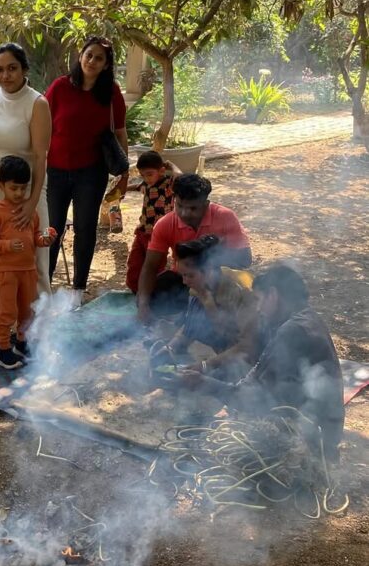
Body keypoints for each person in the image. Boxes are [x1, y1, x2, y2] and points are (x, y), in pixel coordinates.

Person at [176, 263, 344, 463]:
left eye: (258, 300)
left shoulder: (292, 332)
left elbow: (256, 401)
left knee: (213, 450)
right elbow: (260, 372)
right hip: (324, 433)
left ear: (273, 295)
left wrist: (205, 383)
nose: (257, 308)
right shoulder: (308, 318)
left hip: (308, 444)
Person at [0, 43, 51, 330]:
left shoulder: (37, 103)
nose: (5, 75)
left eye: (12, 68)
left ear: (24, 69)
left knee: (33, 258)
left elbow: (40, 157)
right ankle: (0, 324)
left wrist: (31, 202)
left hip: (24, 191)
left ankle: (38, 328)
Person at [45, 35, 128, 304]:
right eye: (88, 55)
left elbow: (120, 132)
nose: (92, 61)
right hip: (56, 171)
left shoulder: (111, 92)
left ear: (106, 65)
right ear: (80, 56)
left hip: (91, 173)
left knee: (85, 229)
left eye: (98, 58)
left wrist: (124, 173)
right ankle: (44, 284)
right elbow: (42, 124)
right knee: (52, 229)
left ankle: (78, 288)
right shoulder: (60, 87)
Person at [136, 173, 252, 323]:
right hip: (186, 280)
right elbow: (150, 266)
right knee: (154, 292)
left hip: (217, 280)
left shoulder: (225, 217)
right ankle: (182, 319)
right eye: (179, 206)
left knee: (228, 304)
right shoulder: (165, 224)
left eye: (192, 208)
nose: (184, 213)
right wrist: (143, 304)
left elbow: (245, 259)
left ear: (206, 204)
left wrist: (207, 261)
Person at [150, 235, 259, 381]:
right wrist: (170, 347)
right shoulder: (199, 289)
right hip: (228, 356)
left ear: (208, 270)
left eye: (190, 276)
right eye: (183, 276)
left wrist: (205, 366)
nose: (185, 281)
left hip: (254, 365)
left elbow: (248, 345)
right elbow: (190, 325)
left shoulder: (239, 292)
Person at [0, 156, 56, 370]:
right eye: (13, 188)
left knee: (27, 310)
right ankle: (4, 349)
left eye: (23, 188)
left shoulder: (30, 211)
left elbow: (36, 237)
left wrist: (46, 239)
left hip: (28, 270)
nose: (18, 193)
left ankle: (22, 344)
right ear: (1, 186)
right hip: (7, 271)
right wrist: (7, 245)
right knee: (7, 312)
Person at [125, 150, 179, 293]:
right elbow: (136, 187)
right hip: (142, 231)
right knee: (134, 263)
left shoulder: (168, 184)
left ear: (161, 171)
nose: (146, 178)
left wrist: (171, 165)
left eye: (149, 174)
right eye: (143, 175)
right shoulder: (146, 184)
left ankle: (153, 295)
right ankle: (136, 292)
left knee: (154, 267)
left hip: (158, 235)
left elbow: (180, 177)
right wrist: (120, 191)